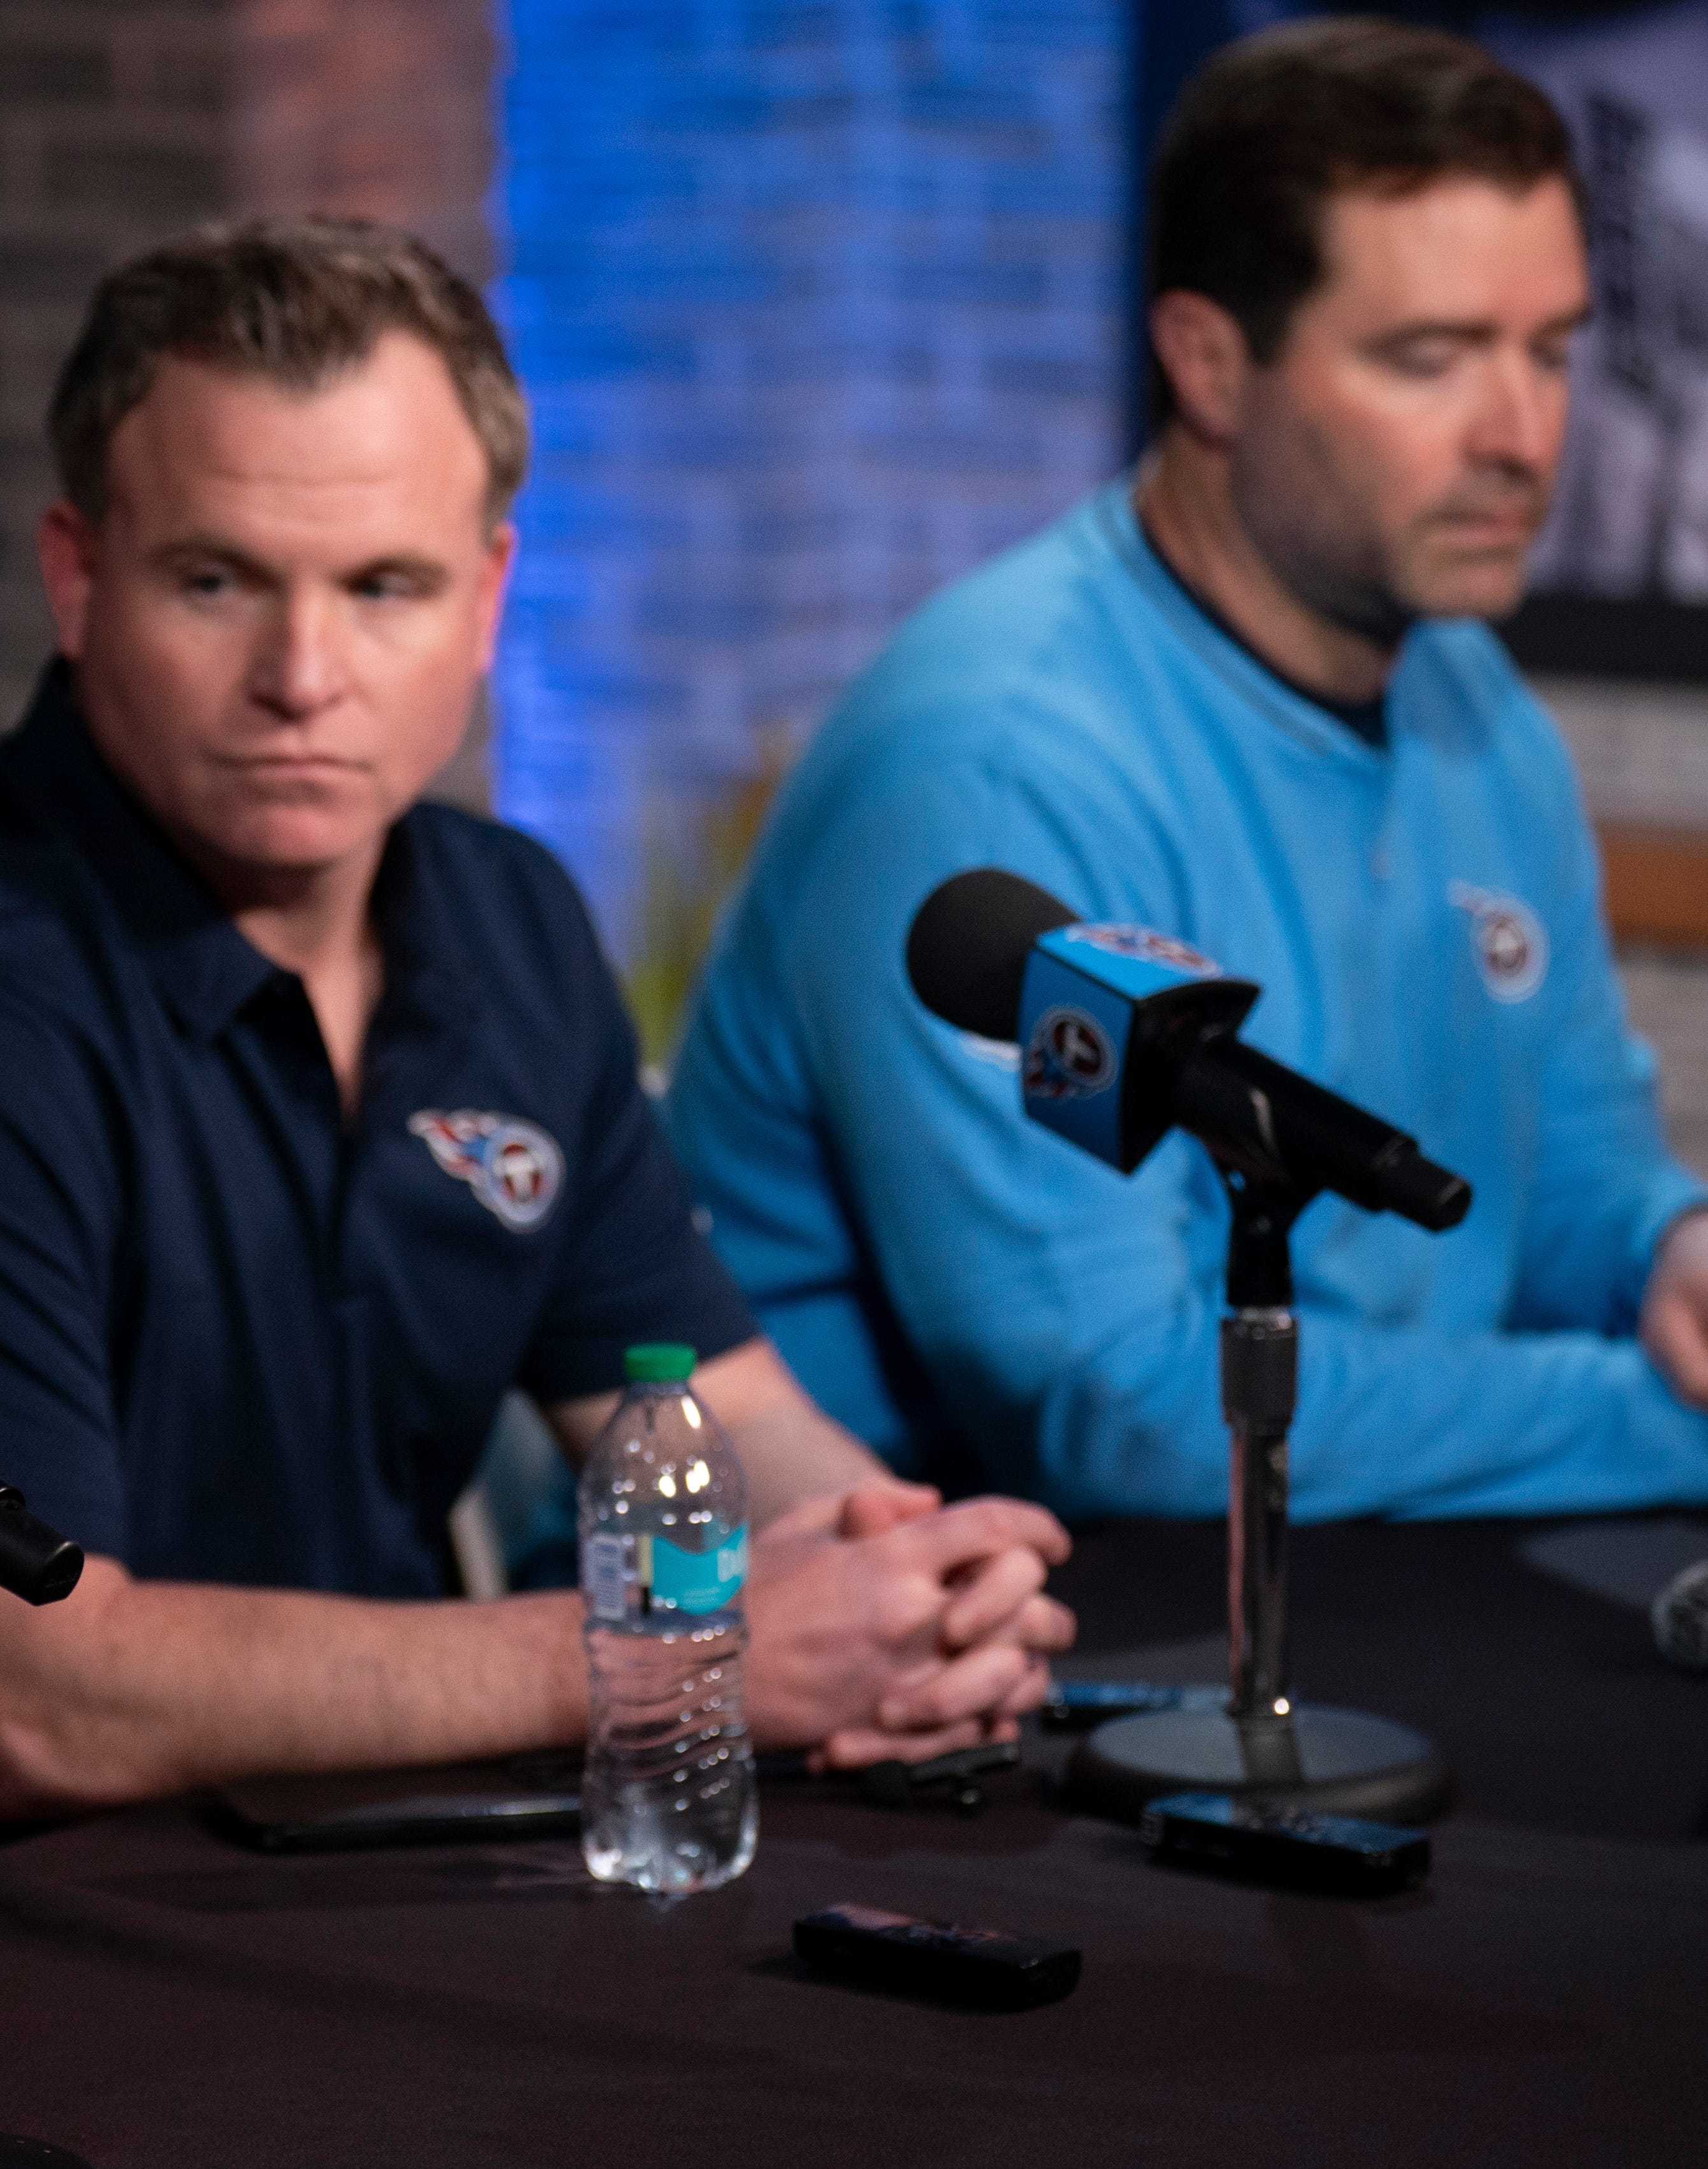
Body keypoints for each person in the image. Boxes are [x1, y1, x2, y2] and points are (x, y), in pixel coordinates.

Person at [0, 218, 1076, 1838]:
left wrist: (909, 1574)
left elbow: (718, 1405)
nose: (303, 673)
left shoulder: (504, 917)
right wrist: (670, 1657)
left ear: (487, 597)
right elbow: (33, 1700)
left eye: (384, 586)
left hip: (403, 1854)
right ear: (77, 578)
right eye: (215, 582)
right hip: (14, 1951)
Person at [666, 19, 1708, 1520]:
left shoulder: (1477, 705)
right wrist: (1669, 1426)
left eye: (1548, 353)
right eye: (1431, 359)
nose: (1522, 436)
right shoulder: (999, 765)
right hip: (908, 1637)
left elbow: (1561, 1193)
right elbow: (1126, 1402)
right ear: (1210, 365)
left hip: (1341, 1572)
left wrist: (1671, 1257)